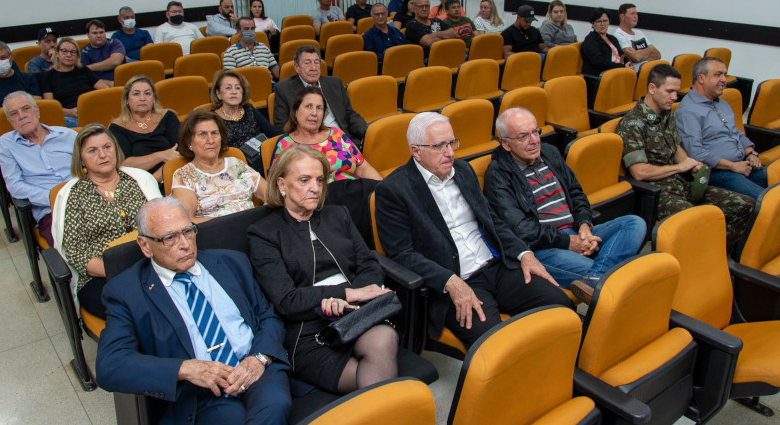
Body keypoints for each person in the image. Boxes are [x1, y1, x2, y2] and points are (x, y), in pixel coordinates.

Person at [96, 196, 291, 425]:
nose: (185, 244)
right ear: (145, 246)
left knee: (276, 404)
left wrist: (259, 358)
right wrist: (185, 369)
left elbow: (268, 316)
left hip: (255, 369)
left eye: (188, 231)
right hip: (202, 395)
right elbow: (110, 366)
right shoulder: (126, 292)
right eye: (170, 238)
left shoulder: (231, 262)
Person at [374, 113, 573, 348]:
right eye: (439, 146)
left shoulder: (463, 170)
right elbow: (402, 254)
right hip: (454, 279)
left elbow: (493, 221)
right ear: (416, 151)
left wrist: (524, 253)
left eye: (451, 143)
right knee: (496, 346)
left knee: (560, 305)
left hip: (496, 266)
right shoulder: (393, 190)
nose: (450, 152)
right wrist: (451, 282)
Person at [247, 145, 398, 393]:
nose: (315, 188)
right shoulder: (264, 234)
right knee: (372, 378)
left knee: (383, 339)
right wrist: (343, 293)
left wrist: (351, 295)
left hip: (355, 311)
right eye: (304, 180)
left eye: (319, 180)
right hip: (308, 328)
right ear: (282, 185)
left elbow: (369, 264)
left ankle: (381, 424)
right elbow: (286, 300)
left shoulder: (338, 215)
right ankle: (388, 423)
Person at [485, 107, 646, 288]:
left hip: (575, 231)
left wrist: (584, 226)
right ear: (505, 143)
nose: (534, 141)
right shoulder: (498, 174)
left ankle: (596, 277)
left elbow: (576, 193)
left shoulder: (550, 153)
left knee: (634, 223)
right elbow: (522, 229)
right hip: (544, 247)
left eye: (535, 132)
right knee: (612, 274)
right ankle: (602, 276)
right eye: (523, 136)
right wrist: (569, 242)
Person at [615, 64, 754, 250]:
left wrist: (692, 165)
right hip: (657, 191)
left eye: (676, 91)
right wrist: (679, 168)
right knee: (698, 220)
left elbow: (676, 148)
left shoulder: (665, 114)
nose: (675, 97)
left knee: (746, 205)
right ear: (652, 88)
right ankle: (703, 251)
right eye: (670, 91)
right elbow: (639, 172)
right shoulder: (633, 123)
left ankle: (717, 250)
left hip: (681, 183)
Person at [52, 123, 161, 318]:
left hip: (152, 264)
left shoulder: (139, 180)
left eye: (107, 147)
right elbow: (77, 254)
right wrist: (122, 271)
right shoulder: (74, 195)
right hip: (102, 275)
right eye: (92, 151)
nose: (102, 155)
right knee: (137, 307)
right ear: (81, 159)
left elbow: (162, 224)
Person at [675, 57, 767, 199]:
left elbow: (737, 134)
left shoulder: (722, 104)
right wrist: (732, 166)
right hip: (717, 172)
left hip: (742, 165)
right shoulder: (688, 111)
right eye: (718, 75)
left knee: (775, 185)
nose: (724, 79)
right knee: (767, 201)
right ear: (701, 78)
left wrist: (750, 153)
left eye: (725, 74)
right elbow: (696, 152)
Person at [0, 91, 76, 247]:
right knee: (73, 247)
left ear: (37, 111)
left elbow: (90, 168)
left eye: (26, 108)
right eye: (14, 113)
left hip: (86, 199)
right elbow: (15, 186)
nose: (21, 115)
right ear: (10, 120)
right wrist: (55, 198)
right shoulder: (6, 144)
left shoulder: (67, 135)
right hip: (51, 209)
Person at [172, 109, 265, 222]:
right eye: (202, 134)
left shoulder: (236, 164)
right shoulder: (184, 175)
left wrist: (262, 218)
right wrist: (232, 222)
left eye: (214, 133)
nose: (210, 140)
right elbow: (186, 221)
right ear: (189, 142)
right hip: (216, 233)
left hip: (254, 227)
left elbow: (271, 195)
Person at [272, 86, 381, 181]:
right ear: (295, 111)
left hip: (354, 190)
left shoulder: (336, 134)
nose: (314, 113)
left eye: (319, 108)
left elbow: (363, 168)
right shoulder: (285, 144)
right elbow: (276, 187)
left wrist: (383, 190)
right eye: (308, 106)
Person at [273, 44, 368, 143]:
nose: (313, 68)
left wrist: (367, 133)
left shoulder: (335, 83)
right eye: (307, 63)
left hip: (343, 140)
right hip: (311, 145)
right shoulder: (283, 89)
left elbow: (350, 114)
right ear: (296, 67)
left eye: (316, 62)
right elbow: (282, 128)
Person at [108, 75, 180, 182]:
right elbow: (124, 164)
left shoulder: (168, 117)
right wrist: (161, 155)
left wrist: (155, 179)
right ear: (127, 99)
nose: (142, 98)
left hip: (173, 176)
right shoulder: (117, 127)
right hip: (137, 183)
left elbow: (179, 153)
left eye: (147, 93)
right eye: (136, 94)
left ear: (154, 98)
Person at [211, 70, 281, 174]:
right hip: (234, 168)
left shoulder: (249, 109)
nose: (234, 91)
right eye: (228, 88)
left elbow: (274, 134)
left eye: (238, 88)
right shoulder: (212, 118)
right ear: (218, 94)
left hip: (262, 160)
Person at [40, 37, 110, 127]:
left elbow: (105, 90)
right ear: (57, 53)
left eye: (73, 52)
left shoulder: (84, 70)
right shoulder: (48, 76)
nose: (69, 55)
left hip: (90, 111)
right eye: (64, 51)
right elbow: (50, 106)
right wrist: (69, 112)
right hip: (67, 116)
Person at [0, 40, 41, 130]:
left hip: (30, 126)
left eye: (3, 57)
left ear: (11, 58)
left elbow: (37, 105)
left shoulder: (28, 78)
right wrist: (11, 130)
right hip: (3, 131)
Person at [580, 8, 633, 77]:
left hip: (618, 72)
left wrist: (627, 64)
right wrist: (622, 67)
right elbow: (599, 63)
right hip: (601, 76)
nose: (603, 24)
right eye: (599, 21)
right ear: (593, 23)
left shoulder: (612, 39)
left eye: (605, 21)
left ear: (609, 22)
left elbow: (621, 55)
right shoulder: (590, 40)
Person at [613, 3, 661, 72]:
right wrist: (649, 49)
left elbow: (657, 54)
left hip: (652, 70)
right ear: (622, 17)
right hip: (638, 73)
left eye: (636, 14)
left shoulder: (639, 32)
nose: (635, 16)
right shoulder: (619, 35)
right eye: (632, 14)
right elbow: (636, 57)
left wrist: (638, 52)